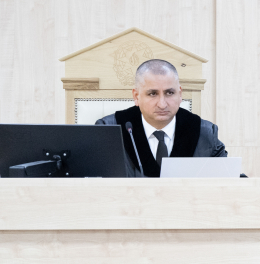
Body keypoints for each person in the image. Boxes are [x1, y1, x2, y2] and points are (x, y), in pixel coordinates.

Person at [96, 59, 227, 177]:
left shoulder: (204, 133)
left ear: (180, 94)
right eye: (152, 94)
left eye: (169, 93)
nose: (162, 104)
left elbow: (230, 179)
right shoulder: (108, 131)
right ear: (136, 96)